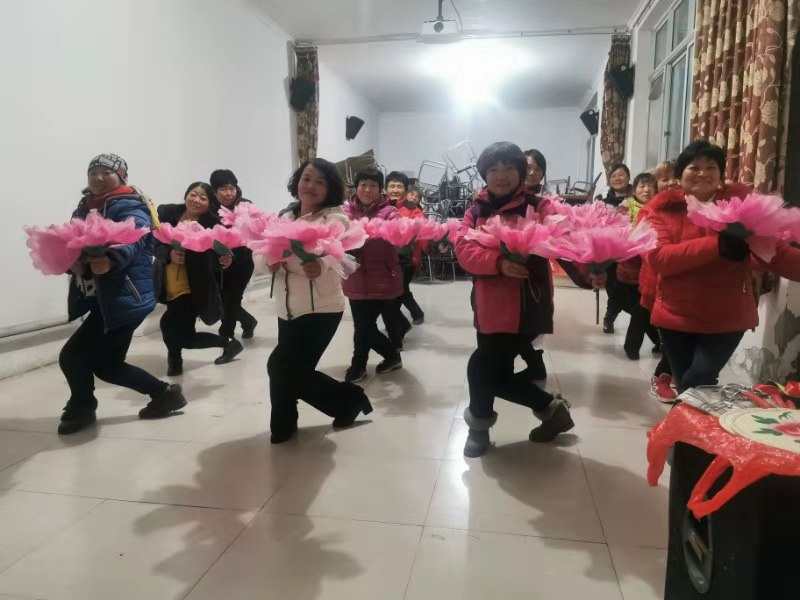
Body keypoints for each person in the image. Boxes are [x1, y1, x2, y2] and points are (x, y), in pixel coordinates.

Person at [645, 140, 800, 393]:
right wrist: (718, 244)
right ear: (680, 175)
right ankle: (687, 418)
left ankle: (689, 416)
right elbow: (660, 259)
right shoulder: (662, 211)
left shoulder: (743, 210)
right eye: (694, 167)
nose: (703, 173)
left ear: (720, 175)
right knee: (687, 386)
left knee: (697, 380)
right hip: (676, 315)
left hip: (727, 317)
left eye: (711, 167)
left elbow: (776, 253)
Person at [455, 142, 574, 458]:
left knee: (481, 368)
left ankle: (478, 430)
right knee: (496, 372)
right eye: (493, 169)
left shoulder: (540, 206)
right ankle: (551, 410)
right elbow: (464, 250)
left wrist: (590, 273)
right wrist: (498, 263)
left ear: (521, 173)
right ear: (484, 174)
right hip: (488, 306)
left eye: (509, 168)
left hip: (527, 306)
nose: (501, 175)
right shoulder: (476, 210)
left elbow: (564, 239)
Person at [58, 154, 186, 435]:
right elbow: (75, 241)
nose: (98, 177)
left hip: (125, 297)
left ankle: (82, 405)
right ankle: (164, 394)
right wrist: (68, 260)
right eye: (93, 172)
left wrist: (111, 259)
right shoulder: (85, 206)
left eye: (106, 172)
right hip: (102, 297)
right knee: (108, 365)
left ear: (122, 176)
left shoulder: (128, 202)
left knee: (73, 356)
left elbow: (136, 235)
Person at [266, 159, 373, 443]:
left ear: (330, 188)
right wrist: (268, 261)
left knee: (281, 366)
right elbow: (263, 251)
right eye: (306, 178)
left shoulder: (335, 218)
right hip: (287, 307)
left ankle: (285, 423)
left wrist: (321, 264)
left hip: (322, 309)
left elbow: (339, 252)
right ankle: (344, 403)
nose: (310, 186)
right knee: (291, 370)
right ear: (297, 181)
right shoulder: (284, 216)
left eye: (320, 181)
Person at [156, 182, 242, 376]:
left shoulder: (212, 223)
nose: (196, 200)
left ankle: (176, 361)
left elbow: (223, 250)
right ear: (186, 194)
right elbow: (154, 242)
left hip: (193, 284)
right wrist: (169, 254)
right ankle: (227, 344)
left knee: (173, 328)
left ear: (209, 203)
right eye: (193, 194)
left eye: (203, 198)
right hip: (169, 280)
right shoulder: (168, 213)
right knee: (174, 327)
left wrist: (226, 259)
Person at [342, 168, 404, 383]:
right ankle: (391, 355)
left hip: (382, 278)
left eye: (373, 185)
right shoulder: (345, 211)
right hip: (355, 278)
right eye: (363, 185)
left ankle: (358, 365)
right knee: (363, 326)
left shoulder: (390, 212)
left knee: (363, 327)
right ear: (356, 187)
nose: (367, 190)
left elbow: (399, 236)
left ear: (380, 189)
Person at [615, 172, 660, 360]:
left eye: (650, 186)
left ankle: (633, 346)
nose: (646, 190)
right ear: (634, 190)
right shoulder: (626, 206)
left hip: (649, 268)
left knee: (642, 308)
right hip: (629, 267)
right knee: (639, 307)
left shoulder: (659, 209)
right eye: (642, 186)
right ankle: (658, 342)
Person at [210, 169, 258, 341]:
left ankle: (226, 337)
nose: (229, 193)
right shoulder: (210, 209)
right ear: (214, 191)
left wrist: (234, 256)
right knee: (223, 299)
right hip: (219, 262)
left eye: (232, 188)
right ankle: (248, 321)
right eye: (223, 188)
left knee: (232, 299)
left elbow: (252, 235)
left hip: (242, 261)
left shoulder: (246, 206)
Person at [599, 163, 634, 334]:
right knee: (613, 286)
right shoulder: (602, 200)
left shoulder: (637, 199)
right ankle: (610, 316)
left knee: (629, 288)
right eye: (614, 176)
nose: (617, 178)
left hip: (632, 251)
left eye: (621, 175)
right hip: (610, 251)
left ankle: (612, 316)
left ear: (628, 177)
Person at [387, 172, 426, 326]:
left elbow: (421, 232)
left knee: (400, 290)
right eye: (392, 186)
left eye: (399, 186)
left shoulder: (413, 209)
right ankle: (403, 321)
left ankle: (404, 321)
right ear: (386, 188)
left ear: (405, 189)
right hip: (387, 259)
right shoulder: (383, 206)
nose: (395, 189)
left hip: (406, 258)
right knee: (397, 291)